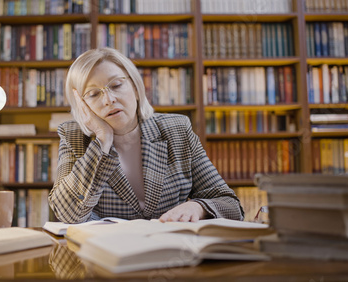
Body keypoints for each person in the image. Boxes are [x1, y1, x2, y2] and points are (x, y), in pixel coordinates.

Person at [48, 48, 244, 223]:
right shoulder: (73, 136)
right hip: (106, 257)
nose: (109, 99)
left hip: (171, 253)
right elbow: (68, 214)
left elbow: (230, 205)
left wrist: (198, 207)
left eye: (116, 85)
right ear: (81, 105)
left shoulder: (177, 129)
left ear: (134, 87)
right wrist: (102, 140)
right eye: (93, 94)